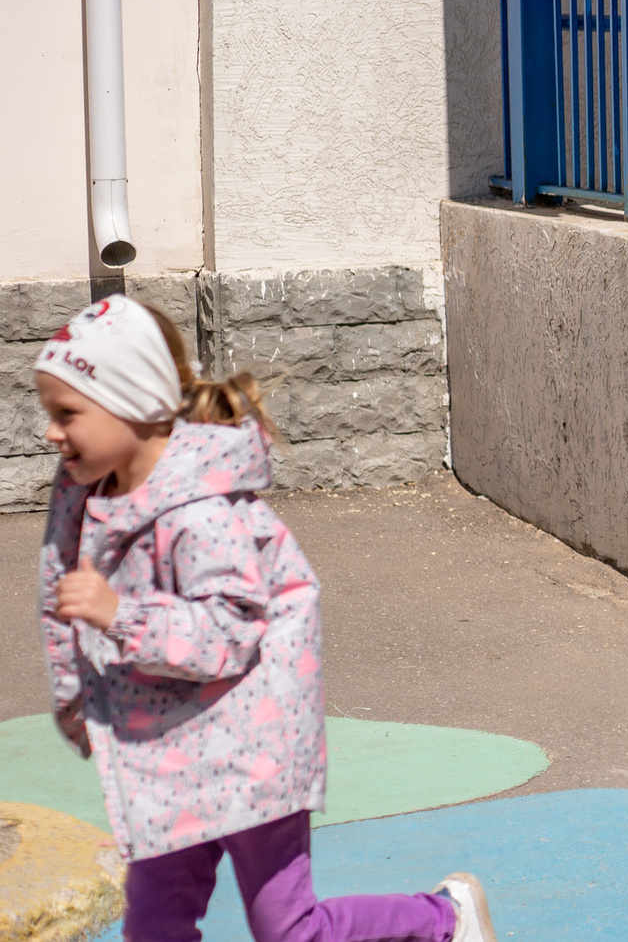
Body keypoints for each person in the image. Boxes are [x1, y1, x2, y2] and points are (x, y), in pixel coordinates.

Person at [35, 295, 499, 942]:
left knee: (287, 928)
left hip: (252, 747)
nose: (51, 432)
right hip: (165, 753)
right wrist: (75, 699)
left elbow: (227, 631)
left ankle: (444, 918)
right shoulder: (85, 494)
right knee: (156, 928)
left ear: (134, 402)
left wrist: (122, 615)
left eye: (67, 413)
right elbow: (60, 593)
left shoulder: (202, 511)